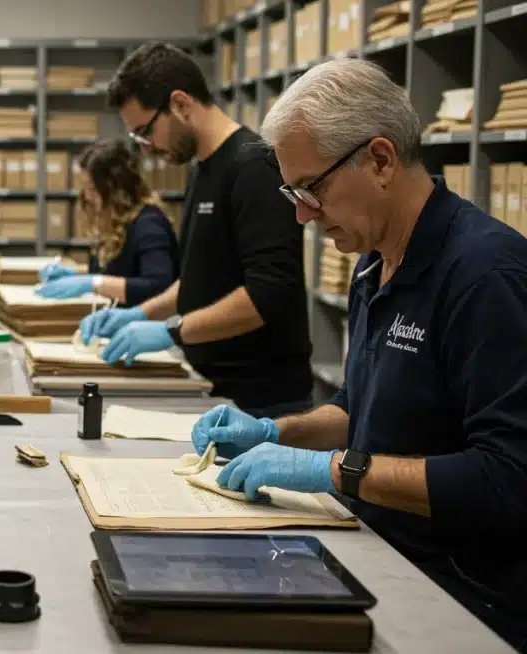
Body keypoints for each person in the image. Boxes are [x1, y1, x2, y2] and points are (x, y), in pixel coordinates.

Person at [190, 59, 527, 650]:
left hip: (462, 601)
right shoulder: (372, 262)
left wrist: (336, 470)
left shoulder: (486, 275)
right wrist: (275, 431)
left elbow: (508, 479)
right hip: (375, 557)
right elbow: (358, 410)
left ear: (380, 160)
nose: (302, 214)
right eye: (293, 192)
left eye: (312, 189)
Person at [82, 42, 312, 419]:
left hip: (261, 403)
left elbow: (268, 294)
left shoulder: (255, 167)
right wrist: (139, 314)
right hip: (213, 386)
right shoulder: (201, 169)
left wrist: (172, 331)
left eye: (145, 132)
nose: (146, 148)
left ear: (180, 104)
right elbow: (197, 280)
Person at [35, 138, 179, 306]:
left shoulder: (149, 224)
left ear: (116, 190)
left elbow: (158, 286)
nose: (87, 197)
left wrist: (92, 283)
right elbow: (116, 272)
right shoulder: (115, 221)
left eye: (93, 189)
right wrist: (75, 274)